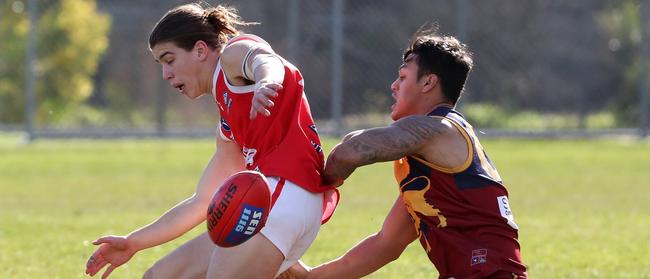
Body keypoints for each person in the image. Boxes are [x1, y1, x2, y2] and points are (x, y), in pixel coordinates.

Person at [84, 3, 338, 279]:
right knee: (160, 276)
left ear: (201, 50)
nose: (165, 74)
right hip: (275, 204)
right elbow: (203, 200)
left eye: (169, 60)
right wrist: (133, 242)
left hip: (284, 196)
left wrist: (267, 82)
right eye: (161, 64)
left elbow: (266, 60)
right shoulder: (228, 125)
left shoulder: (232, 56)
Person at [280, 30, 527, 279]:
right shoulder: (429, 172)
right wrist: (309, 276)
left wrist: (318, 186)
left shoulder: (438, 129)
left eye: (402, 77)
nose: (393, 86)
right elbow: (386, 243)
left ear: (428, 83)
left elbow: (350, 151)